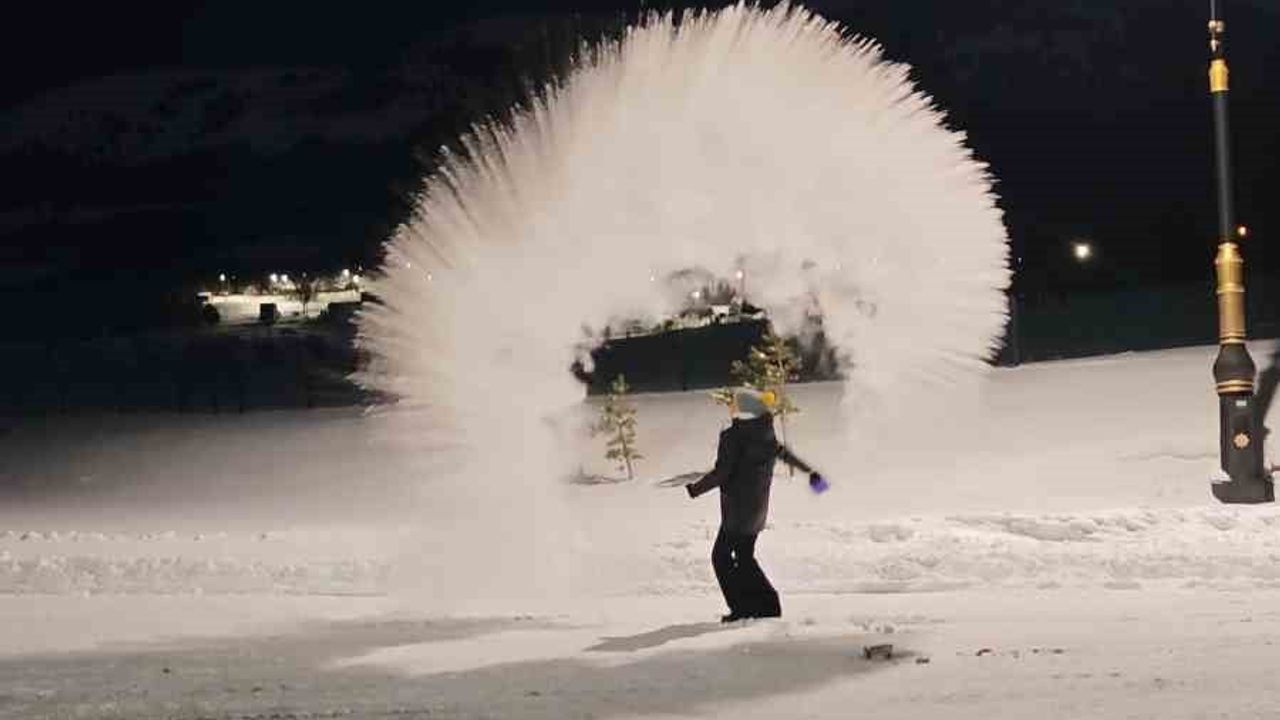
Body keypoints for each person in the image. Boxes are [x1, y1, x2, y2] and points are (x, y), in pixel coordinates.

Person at [686, 387, 825, 622]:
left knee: (721, 557)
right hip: (757, 511)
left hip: (737, 512)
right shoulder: (764, 433)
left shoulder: (734, 437)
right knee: (744, 556)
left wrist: (695, 489)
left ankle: (743, 608)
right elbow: (786, 454)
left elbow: (723, 472)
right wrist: (811, 472)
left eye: (733, 406)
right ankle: (766, 605)